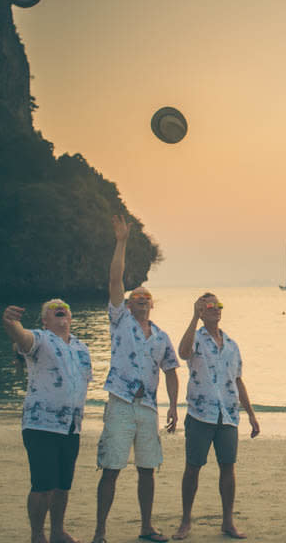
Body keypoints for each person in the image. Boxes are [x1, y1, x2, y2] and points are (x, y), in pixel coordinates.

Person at [93, 216, 179, 543]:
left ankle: (146, 527)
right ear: (129, 304)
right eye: (137, 298)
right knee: (111, 468)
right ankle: (100, 532)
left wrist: (172, 406)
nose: (142, 301)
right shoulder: (120, 322)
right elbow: (115, 280)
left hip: (148, 408)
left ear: (152, 305)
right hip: (120, 404)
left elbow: (171, 370)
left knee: (147, 470)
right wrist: (121, 241)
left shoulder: (160, 337)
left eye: (146, 298)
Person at [172, 292, 261, 540]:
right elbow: (182, 352)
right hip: (201, 414)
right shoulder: (197, 339)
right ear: (201, 310)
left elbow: (238, 380)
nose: (216, 308)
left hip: (228, 416)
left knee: (228, 468)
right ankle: (185, 521)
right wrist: (193, 317)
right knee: (193, 468)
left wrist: (252, 415)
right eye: (209, 305)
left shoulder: (232, 345)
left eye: (218, 305)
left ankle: (227, 522)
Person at [3, 299, 92, 543]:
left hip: (71, 426)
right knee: (43, 484)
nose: (60, 308)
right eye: (53, 309)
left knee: (63, 485)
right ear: (45, 320)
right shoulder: (40, 339)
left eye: (64, 308)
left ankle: (57, 532)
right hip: (41, 424)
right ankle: (37, 535)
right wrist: (12, 323)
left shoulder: (82, 348)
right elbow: (22, 338)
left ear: (70, 317)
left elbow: (82, 384)